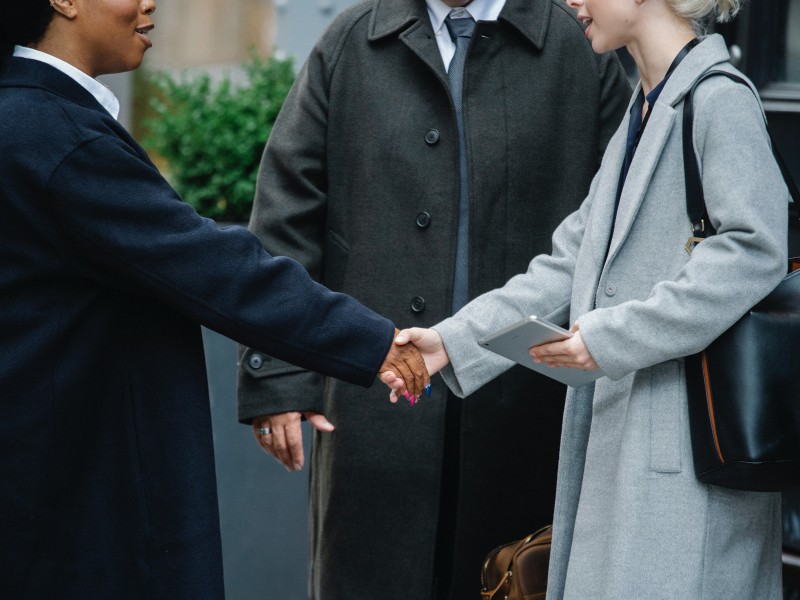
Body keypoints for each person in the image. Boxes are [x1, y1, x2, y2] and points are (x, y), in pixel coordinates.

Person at [0, 2, 430, 599]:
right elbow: (214, 266)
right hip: (75, 496)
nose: (150, 3)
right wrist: (373, 340)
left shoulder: (30, 119)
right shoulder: (53, 134)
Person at [383, 0, 790, 597]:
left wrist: (606, 339)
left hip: (686, 460)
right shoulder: (644, 107)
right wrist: (449, 343)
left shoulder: (719, 97)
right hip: (634, 449)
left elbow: (754, 251)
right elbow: (569, 264)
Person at [236, 0, 630, 598]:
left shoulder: (580, 49)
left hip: (528, 418)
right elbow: (285, 220)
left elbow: (621, 229)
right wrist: (277, 374)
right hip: (373, 418)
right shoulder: (352, 40)